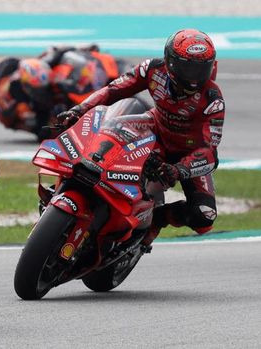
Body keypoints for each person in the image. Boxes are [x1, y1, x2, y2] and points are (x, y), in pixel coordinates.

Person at [55, 29, 225, 245]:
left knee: (205, 216)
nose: (194, 76)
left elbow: (210, 152)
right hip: (154, 130)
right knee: (107, 136)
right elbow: (114, 90)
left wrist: (180, 169)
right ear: (170, 62)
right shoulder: (153, 69)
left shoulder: (213, 100)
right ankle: (68, 182)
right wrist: (79, 110)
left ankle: (157, 219)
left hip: (187, 157)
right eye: (188, 67)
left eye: (201, 68)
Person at [0, 45, 121, 139]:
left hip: (20, 71)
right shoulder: (17, 104)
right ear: (30, 89)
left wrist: (82, 49)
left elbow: (57, 51)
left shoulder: (39, 66)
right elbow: (40, 130)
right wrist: (52, 122)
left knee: (4, 65)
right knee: (53, 124)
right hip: (20, 113)